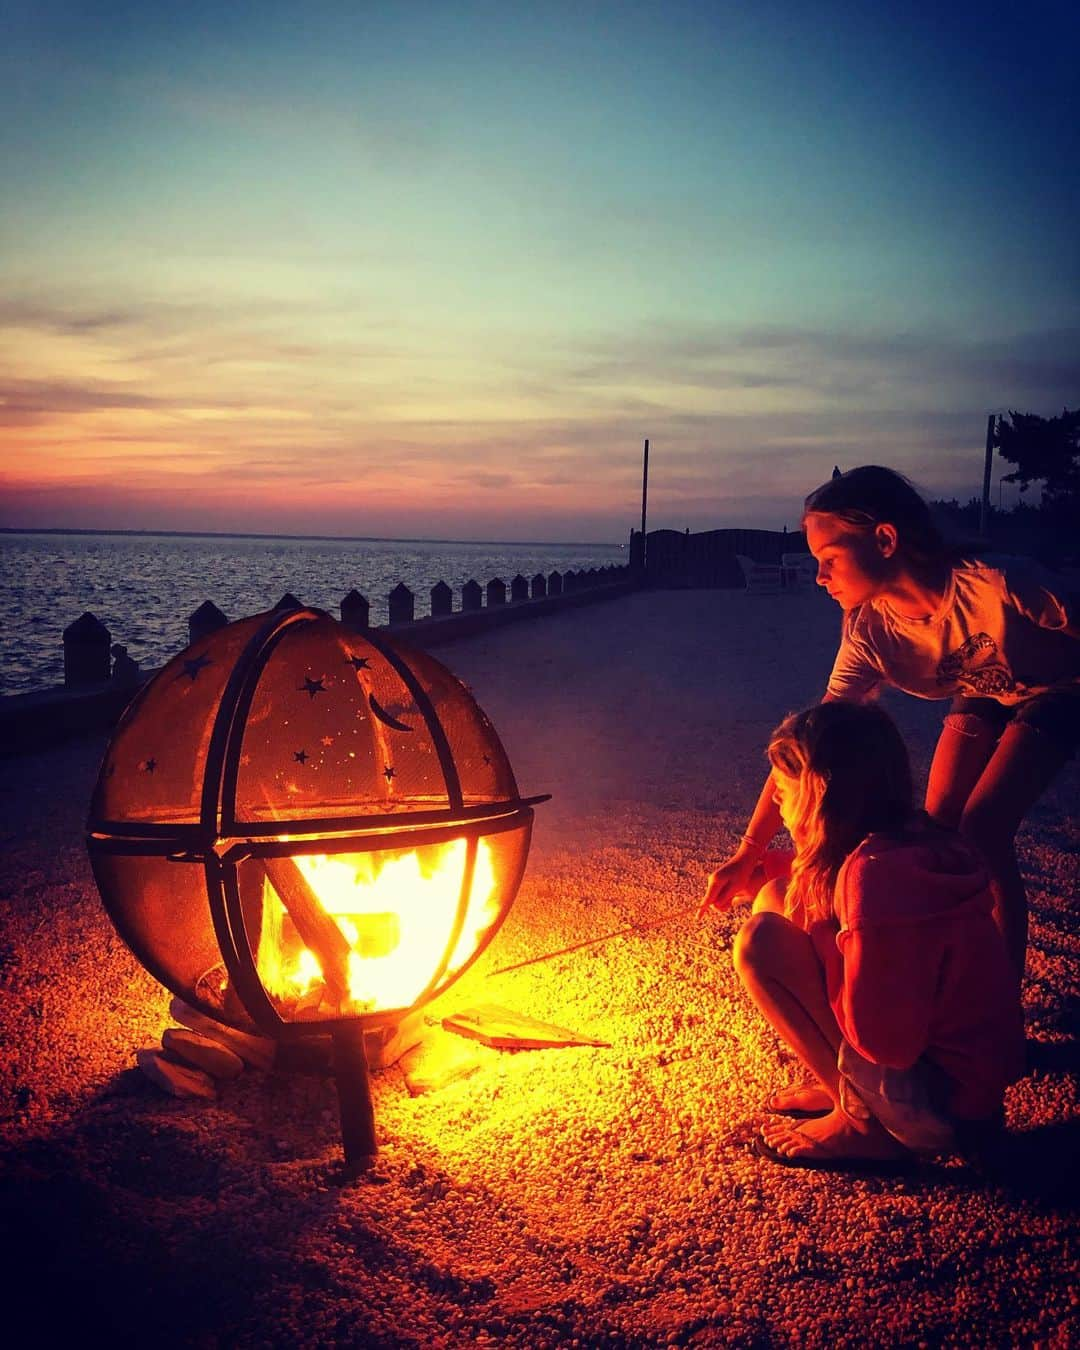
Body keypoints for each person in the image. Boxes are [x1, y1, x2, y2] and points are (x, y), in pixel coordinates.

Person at [704, 465, 1080, 979]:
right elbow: (808, 747)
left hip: (1061, 687)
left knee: (984, 829)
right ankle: (951, 970)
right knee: (938, 829)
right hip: (983, 690)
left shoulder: (993, 581)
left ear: (884, 539)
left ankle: (1000, 1007)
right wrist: (749, 851)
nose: (819, 576)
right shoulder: (871, 633)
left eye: (829, 558)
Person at [731, 701, 1025, 1170]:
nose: (776, 802)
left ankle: (863, 1123)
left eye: (783, 790)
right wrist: (777, 876)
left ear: (819, 793)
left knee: (760, 943)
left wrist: (829, 935)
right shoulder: (908, 838)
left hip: (943, 1105)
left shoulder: (875, 879)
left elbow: (888, 1044)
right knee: (777, 895)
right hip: (973, 1091)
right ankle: (845, 1086)